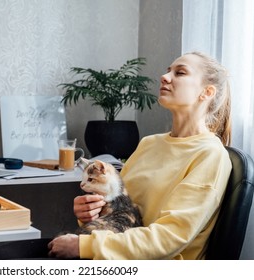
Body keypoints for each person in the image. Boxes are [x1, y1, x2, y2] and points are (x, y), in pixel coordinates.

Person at [48, 52, 233, 260]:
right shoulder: (149, 143)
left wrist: (85, 246)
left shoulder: (210, 155)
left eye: (180, 73)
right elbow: (121, 210)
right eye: (167, 71)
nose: (165, 77)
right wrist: (92, 212)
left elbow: (168, 239)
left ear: (206, 92)